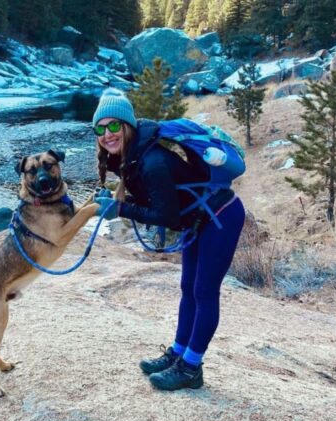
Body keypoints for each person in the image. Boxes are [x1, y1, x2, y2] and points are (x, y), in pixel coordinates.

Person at [91, 88, 246, 391]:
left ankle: (191, 368)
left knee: (203, 291)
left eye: (113, 126)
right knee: (188, 288)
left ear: (127, 126)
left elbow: (167, 216)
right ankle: (178, 353)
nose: (107, 134)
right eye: (100, 128)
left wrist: (120, 209)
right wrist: (117, 200)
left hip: (221, 217)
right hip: (202, 219)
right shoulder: (132, 155)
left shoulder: (151, 162)